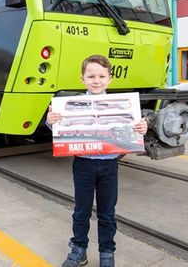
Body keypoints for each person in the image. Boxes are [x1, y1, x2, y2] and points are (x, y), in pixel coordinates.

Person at [47, 54, 148, 267]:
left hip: (109, 165)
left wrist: (141, 127)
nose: (96, 80)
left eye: (102, 76)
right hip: (83, 164)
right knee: (81, 211)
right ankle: (79, 249)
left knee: (107, 212)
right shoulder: (71, 105)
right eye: (91, 76)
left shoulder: (121, 106)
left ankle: (107, 252)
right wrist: (51, 121)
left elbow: (133, 128)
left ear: (110, 79)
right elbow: (60, 128)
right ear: (82, 79)